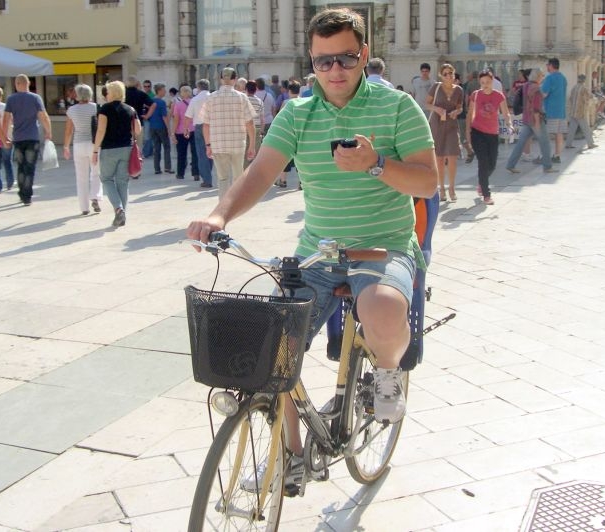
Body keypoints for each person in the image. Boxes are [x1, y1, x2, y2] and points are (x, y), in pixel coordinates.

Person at [186, 8, 437, 489]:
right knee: (272, 347)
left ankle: (388, 373)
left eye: (346, 58)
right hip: (319, 251)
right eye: (324, 61)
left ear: (364, 55)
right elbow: (261, 172)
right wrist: (219, 216)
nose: (335, 70)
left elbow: (427, 182)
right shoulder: (297, 113)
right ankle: (292, 454)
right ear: (312, 61)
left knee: (383, 307)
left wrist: (376, 164)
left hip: (383, 245)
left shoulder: (397, 107)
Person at [91, 80, 141, 227]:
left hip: (109, 149)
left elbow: (101, 130)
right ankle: (122, 214)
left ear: (111, 93)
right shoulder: (130, 109)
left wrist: (95, 150)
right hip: (126, 148)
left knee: (106, 179)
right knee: (122, 182)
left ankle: (118, 209)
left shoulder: (105, 109)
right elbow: (137, 130)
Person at [202, 67, 257, 199]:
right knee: (238, 176)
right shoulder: (242, 97)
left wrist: (208, 145)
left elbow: (205, 125)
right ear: (235, 79)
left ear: (220, 79)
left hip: (218, 144)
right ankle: (236, 204)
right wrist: (252, 145)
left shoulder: (211, 98)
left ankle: (223, 205)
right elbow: (250, 123)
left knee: (222, 178)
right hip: (238, 143)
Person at [2, 74, 52, 206]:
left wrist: (4, 136)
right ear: (28, 83)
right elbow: (43, 116)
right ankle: (27, 196)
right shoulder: (35, 98)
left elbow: (6, 119)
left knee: (21, 166)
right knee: (30, 167)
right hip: (32, 137)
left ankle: (21, 192)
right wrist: (48, 131)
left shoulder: (11, 99)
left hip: (18, 138)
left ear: (16, 84)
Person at [466, 69, 513, 205]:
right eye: (482, 82)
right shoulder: (475, 95)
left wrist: (509, 124)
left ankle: (482, 183)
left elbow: (506, 113)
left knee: (492, 164)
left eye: (487, 82)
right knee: (483, 162)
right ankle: (486, 194)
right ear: (479, 83)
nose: (485, 85)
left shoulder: (499, 96)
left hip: (492, 134)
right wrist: (468, 131)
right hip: (477, 132)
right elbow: (470, 114)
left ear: (492, 81)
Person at [63, 83, 103, 216]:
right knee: (96, 173)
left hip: (78, 144)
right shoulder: (96, 108)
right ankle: (95, 196)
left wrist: (66, 146)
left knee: (81, 177)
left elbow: (69, 130)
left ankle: (84, 207)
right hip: (94, 144)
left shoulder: (71, 110)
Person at [505, 68, 555, 174]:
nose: (543, 78)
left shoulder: (526, 86)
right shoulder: (536, 89)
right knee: (545, 143)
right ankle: (547, 166)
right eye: (542, 76)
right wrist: (537, 123)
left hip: (526, 118)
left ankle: (510, 164)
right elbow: (536, 107)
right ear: (538, 76)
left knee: (521, 143)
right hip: (535, 119)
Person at [426, 63, 464, 202]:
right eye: (445, 74)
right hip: (437, 124)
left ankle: (452, 188)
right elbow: (427, 104)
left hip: (452, 125)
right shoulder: (436, 87)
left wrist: (456, 111)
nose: (448, 76)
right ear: (441, 76)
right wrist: (437, 109)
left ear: (454, 74)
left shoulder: (459, 90)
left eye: (450, 73)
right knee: (439, 158)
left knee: (452, 157)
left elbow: (460, 107)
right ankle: (441, 188)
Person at [185, 79, 213, 186]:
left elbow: (188, 116)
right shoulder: (213, 97)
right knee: (211, 151)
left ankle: (207, 179)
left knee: (202, 154)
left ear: (198, 87)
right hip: (212, 126)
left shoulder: (195, 99)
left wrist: (186, 128)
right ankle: (208, 173)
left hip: (200, 126)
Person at [171, 84, 201, 183]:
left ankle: (180, 173)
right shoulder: (195, 103)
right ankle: (196, 173)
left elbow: (176, 120)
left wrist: (173, 132)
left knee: (181, 153)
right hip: (194, 130)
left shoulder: (178, 105)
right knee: (195, 153)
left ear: (182, 93)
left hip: (181, 131)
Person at [540, 58, 567, 163]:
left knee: (546, 134)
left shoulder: (549, 78)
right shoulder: (563, 78)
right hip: (561, 111)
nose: (546, 67)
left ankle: (544, 156)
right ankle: (557, 155)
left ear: (551, 65)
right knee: (559, 134)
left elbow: (544, 94)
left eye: (547, 65)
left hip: (551, 110)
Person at [564, 74, 597, 150]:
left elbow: (570, 98)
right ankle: (590, 144)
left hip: (573, 111)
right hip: (580, 112)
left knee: (572, 129)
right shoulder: (584, 88)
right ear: (584, 80)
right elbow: (589, 96)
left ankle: (568, 144)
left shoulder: (574, 87)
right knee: (586, 128)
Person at [148, 83, 173, 175]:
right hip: (161, 127)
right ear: (159, 91)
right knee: (166, 147)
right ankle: (167, 167)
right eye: (164, 90)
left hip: (152, 127)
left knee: (156, 148)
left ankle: (157, 168)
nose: (165, 92)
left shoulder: (151, 101)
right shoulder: (161, 102)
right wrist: (169, 129)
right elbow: (164, 117)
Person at [244, 80, 265, 169]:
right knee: (255, 155)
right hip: (257, 129)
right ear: (256, 90)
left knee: (245, 155)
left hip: (244, 129)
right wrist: (262, 132)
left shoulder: (243, 100)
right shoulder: (259, 101)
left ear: (246, 89)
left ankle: (245, 172)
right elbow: (262, 119)